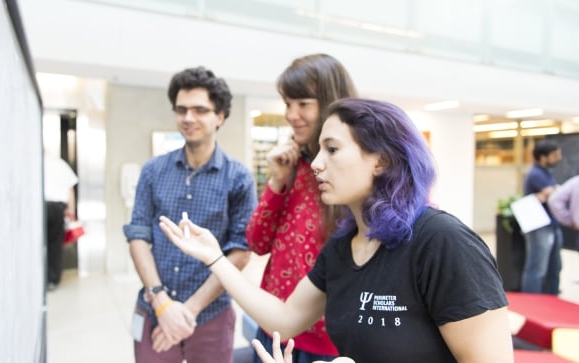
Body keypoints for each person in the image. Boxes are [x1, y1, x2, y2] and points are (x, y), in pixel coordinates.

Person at [159, 98, 513, 363]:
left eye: (332, 149)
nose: (315, 164)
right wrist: (216, 259)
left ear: (383, 160)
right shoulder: (342, 248)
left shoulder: (441, 242)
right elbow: (285, 317)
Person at [122, 66, 257, 363]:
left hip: (211, 314)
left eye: (200, 110)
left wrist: (187, 311)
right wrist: (162, 303)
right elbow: (138, 236)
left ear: (219, 116)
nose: (188, 118)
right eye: (181, 110)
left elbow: (240, 252)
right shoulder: (153, 171)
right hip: (154, 307)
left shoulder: (238, 178)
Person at [245, 53, 357, 363]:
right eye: (288, 104)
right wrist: (277, 183)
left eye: (303, 104)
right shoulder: (292, 164)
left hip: (328, 340)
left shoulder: (353, 172)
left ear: (330, 103)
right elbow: (256, 242)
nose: (291, 115)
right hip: (274, 329)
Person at [521, 139, 563, 295]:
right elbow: (553, 193)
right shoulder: (535, 173)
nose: (559, 157)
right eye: (555, 154)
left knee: (555, 266)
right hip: (539, 226)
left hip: (551, 223)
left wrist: (552, 191)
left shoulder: (547, 173)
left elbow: (552, 193)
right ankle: (532, 302)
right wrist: (554, 191)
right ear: (543, 156)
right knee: (537, 268)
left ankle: (552, 298)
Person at [43, 152, 78, 292]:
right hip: (58, 208)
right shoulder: (60, 164)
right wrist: (71, 210)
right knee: (55, 244)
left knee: (40, 244)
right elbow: (70, 190)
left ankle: (42, 278)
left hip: (41, 207)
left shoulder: (35, 163)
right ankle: (53, 279)